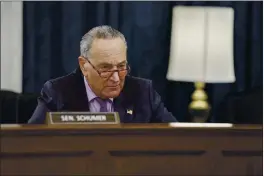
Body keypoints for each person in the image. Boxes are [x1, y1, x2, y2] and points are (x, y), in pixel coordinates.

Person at [28, 25, 177, 124]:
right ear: (84, 65)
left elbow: (176, 138)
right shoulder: (57, 92)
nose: (116, 78)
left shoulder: (143, 92)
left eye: (121, 66)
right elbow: (32, 142)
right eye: (105, 69)